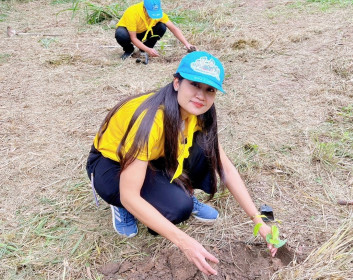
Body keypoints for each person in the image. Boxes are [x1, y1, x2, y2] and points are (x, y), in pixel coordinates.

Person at [86, 51, 278, 276]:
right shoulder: (151, 122)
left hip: (151, 157)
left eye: (210, 90)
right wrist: (185, 242)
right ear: (177, 82)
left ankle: (174, 190)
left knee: (206, 150)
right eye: (194, 84)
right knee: (178, 208)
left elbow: (223, 165)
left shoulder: (200, 113)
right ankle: (120, 206)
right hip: (111, 165)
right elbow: (130, 195)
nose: (201, 96)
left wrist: (259, 221)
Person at [115, 0, 196, 61]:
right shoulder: (132, 12)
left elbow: (174, 28)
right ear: (144, 8)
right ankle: (129, 50)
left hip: (145, 32)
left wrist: (186, 44)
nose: (153, 16)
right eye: (150, 13)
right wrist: (148, 49)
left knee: (162, 27)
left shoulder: (158, 13)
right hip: (130, 33)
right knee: (120, 34)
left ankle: (144, 50)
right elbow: (133, 38)